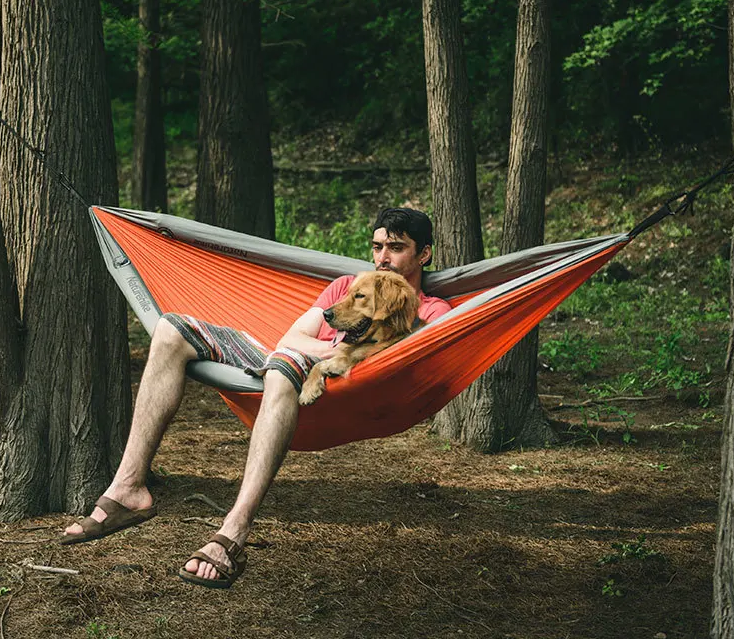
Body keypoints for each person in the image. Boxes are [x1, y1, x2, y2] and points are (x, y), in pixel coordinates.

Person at [62, 207, 452, 587]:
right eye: (377, 246)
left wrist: (345, 357)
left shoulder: (435, 311)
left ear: (424, 254)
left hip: (321, 381)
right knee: (169, 329)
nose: (382, 257)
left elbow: (410, 354)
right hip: (287, 356)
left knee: (283, 366)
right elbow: (292, 338)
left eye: (396, 247)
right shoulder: (346, 287)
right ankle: (128, 488)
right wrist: (331, 352)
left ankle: (234, 530)